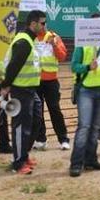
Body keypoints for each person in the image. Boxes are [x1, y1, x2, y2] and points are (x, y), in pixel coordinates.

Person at [68, 13, 100, 177]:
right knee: (84, 126)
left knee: (95, 127)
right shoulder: (82, 45)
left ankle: (91, 160)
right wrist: (88, 67)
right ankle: (76, 163)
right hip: (86, 90)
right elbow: (74, 66)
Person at [0, 10, 45, 175]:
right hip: (21, 89)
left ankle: (23, 155)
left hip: (30, 90)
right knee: (21, 126)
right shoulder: (24, 42)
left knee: (35, 121)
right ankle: (18, 163)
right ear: (33, 24)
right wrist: (6, 86)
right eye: (42, 23)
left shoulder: (29, 40)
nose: (44, 26)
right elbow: (14, 65)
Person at [33, 21, 70, 151]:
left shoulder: (54, 37)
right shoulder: (31, 38)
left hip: (51, 81)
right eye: (39, 23)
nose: (41, 25)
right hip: (34, 80)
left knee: (55, 109)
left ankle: (63, 139)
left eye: (43, 23)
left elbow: (62, 56)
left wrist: (54, 45)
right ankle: (40, 139)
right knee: (38, 112)